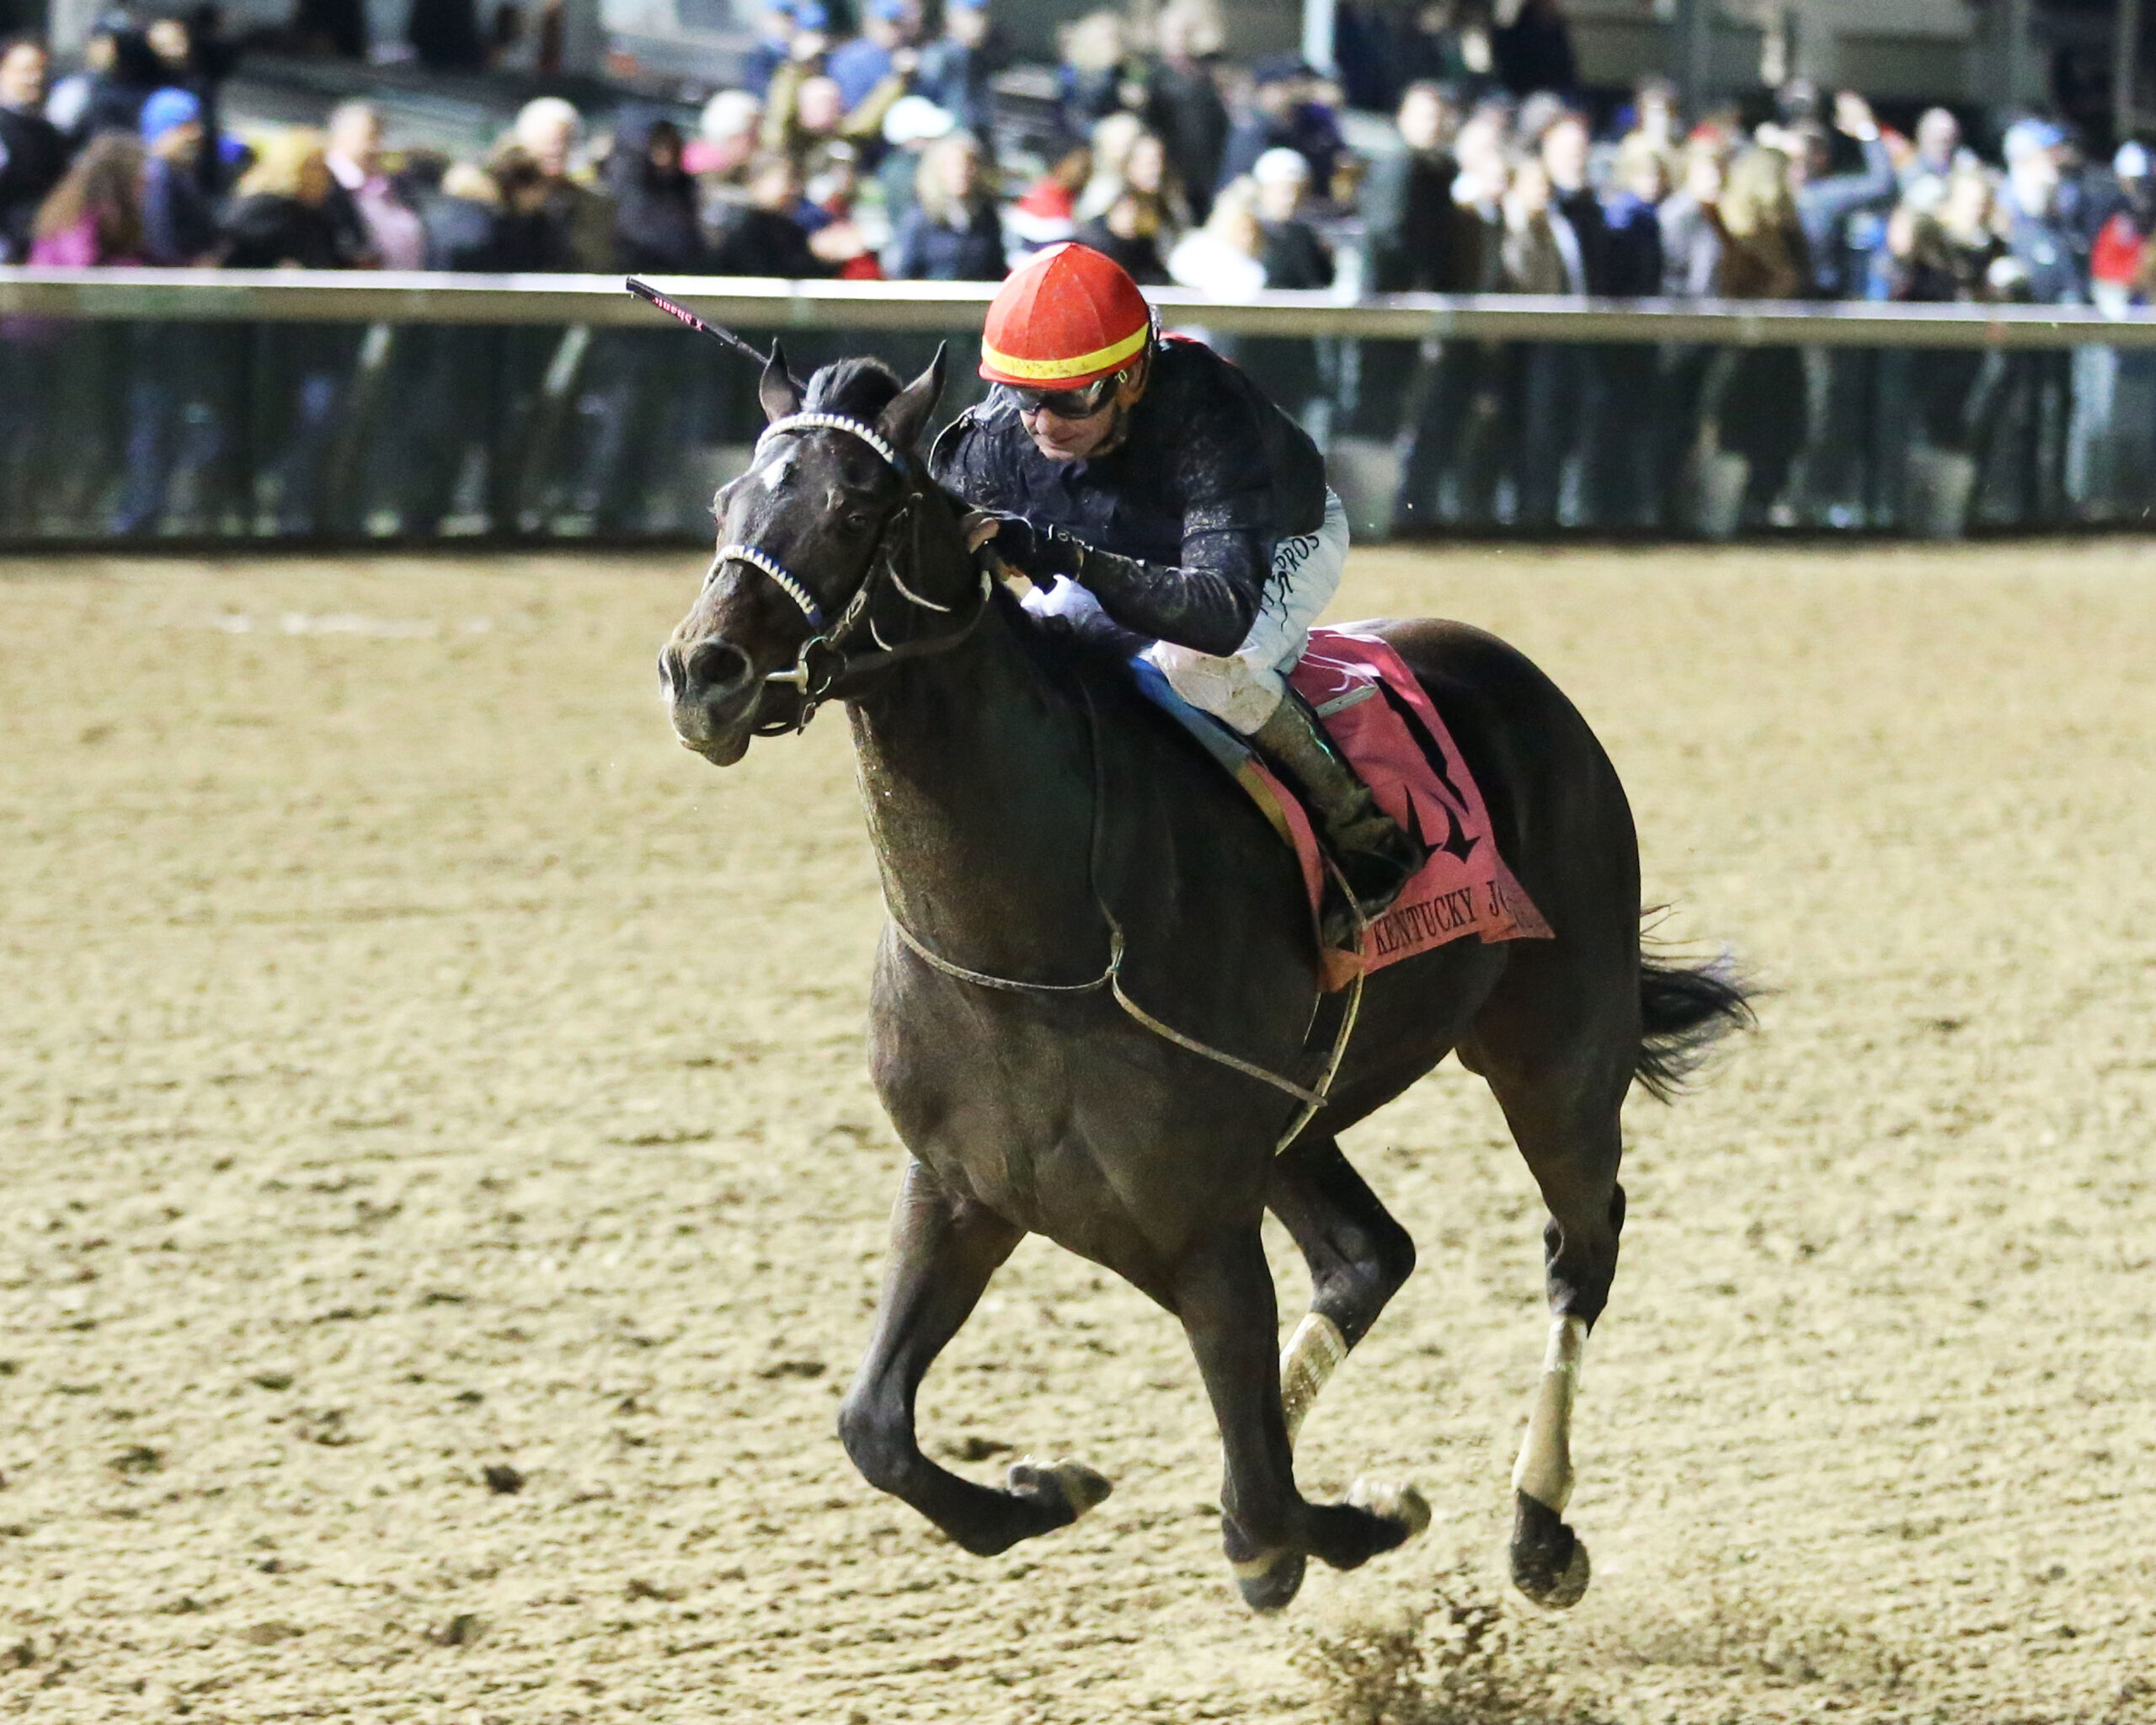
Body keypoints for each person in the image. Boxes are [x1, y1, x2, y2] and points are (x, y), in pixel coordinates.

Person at [934, 243, 1424, 937]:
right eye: (1020, 395)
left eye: (1070, 398)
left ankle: (1363, 833)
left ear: (1132, 377)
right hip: (1118, 547)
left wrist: (1057, 555)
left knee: (1197, 667)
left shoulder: (1210, 413)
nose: (1040, 422)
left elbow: (1218, 615)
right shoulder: (1004, 433)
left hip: (1277, 543)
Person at [1143, 1, 1227, 221]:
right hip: (1174, 167)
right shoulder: (1154, 76)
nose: (1179, 38)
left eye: (1184, 32)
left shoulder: (1206, 73)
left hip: (1207, 167)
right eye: (1173, 32)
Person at [512, 95, 612, 270]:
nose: (556, 149)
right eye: (547, 141)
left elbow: (596, 261)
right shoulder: (499, 194)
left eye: (564, 140)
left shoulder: (592, 204)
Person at [887, 129, 1003, 279]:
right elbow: (904, 272)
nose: (961, 172)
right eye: (954, 166)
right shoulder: (920, 218)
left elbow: (996, 268)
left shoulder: (986, 217)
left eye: (968, 165)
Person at [327, 99, 424, 270]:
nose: (376, 147)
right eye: (370, 136)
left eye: (380, 136)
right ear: (340, 136)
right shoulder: (327, 184)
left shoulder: (393, 183)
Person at [608, 109, 705, 272]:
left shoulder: (685, 186)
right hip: (636, 263)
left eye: (670, 146)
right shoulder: (631, 182)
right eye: (659, 146)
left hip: (677, 266)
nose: (664, 154)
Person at [28, 131, 146, 263]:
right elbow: (77, 269)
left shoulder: (67, 206)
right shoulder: (77, 219)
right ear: (122, 181)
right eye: (140, 180)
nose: (145, 188)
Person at [0, 36, 67, 262]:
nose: (35, 79)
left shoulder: (48, 131)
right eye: (25, 70)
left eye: (41, 70)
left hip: (38, 246)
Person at [139, 86, 217, 264]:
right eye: (185, 126)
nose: (196, 135)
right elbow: (159, 242)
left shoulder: (180, 174)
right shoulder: (155, 176)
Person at [914, 0, 1000, 138]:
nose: (981, 22)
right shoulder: (937, 57)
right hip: (942, 144)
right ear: (952, 17)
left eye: (983, 14)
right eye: (973, 14)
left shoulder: (979, 57)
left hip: (973, 141)